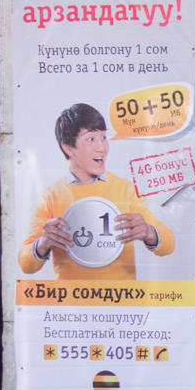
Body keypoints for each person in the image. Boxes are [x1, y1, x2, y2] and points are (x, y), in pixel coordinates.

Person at [18, 103, 175, 280]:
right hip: (71, 297)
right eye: (91, 139)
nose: (102, 147)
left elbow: (169, 244)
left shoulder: (124, 189)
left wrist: (149, 232)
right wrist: (43, 243)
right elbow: (25, 265)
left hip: (122, 296)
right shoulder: (51, 196)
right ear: (68, 148)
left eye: (104, 137)